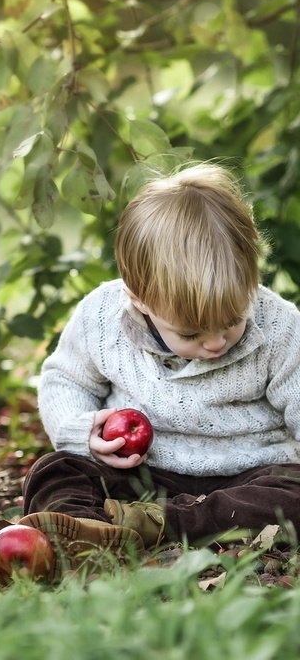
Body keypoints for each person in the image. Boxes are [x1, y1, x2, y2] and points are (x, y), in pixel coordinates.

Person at [19, 163, 300, 577]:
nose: (216, 343)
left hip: (246, 478)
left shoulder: (280, 326)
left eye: (231, 322)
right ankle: (80, 531)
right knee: (54, 472)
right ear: (139, 300)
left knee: (290, 496)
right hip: (141, 474)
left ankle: (150, 526)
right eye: (191, 334)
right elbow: (65, 380)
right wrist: (84, 432)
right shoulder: (103, 318)